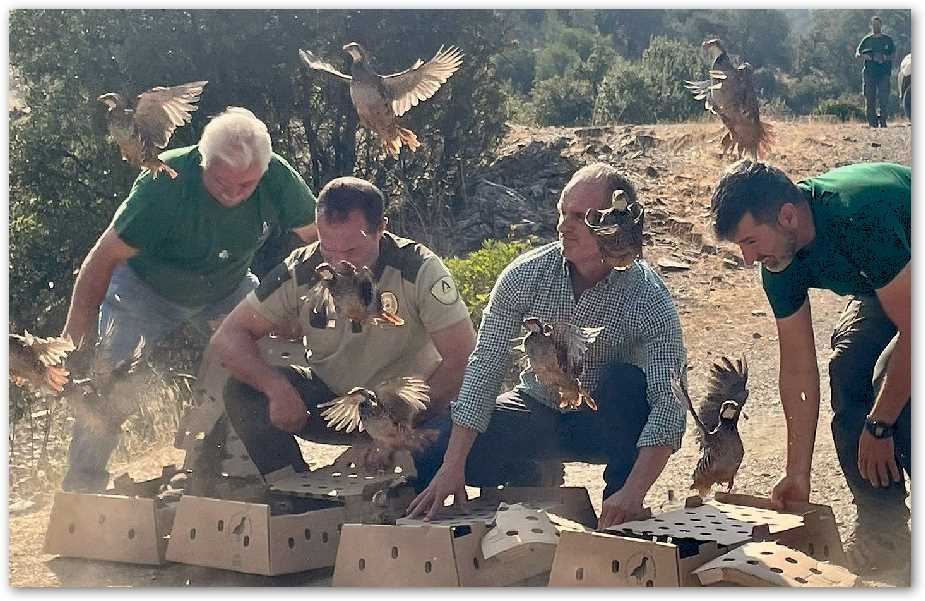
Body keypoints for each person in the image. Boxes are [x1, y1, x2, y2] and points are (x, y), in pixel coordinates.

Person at [407, 163, 687, 529]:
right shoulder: (526, 275)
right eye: (561, 213)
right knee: (433, 452)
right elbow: (485, 365)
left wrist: (634, 490)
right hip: (538, 407)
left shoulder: (648, 297)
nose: (562, 226)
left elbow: (671, 400)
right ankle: (532, 473)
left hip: (604, 420)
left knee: (627, 384)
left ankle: (619, 514)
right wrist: (452, 464)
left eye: (578, 217)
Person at [59, 107, 319, 491]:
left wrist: (318, 304)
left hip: (227, 289)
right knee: (111, 376)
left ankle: (249, 470)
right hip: (144, 290)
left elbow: (322, 241)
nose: (233, 194)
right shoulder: (163, 180)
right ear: (202, 161)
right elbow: (104, 257)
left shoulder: (277, 175)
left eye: (246, 185)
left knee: (261, 360)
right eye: (221, 182)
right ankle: (82, 485)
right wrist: (75, 334)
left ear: (263, 171)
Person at [709, 160, 911, 575]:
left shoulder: (857, 214)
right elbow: (799, 369)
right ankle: (885, 532)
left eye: (750, 241)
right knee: (849, 368)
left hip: (906, 268)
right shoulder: (779, 261)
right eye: (740, 248)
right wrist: (796, 474)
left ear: (787, 216)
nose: (748, 259)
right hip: (889, 283)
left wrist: (880, 425)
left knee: (894, 389)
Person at [211, 176, 476, 483]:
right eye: (327, 248)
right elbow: (229, 336)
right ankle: (295, 495)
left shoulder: (418, 269)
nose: (339, 262)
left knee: (435, 459)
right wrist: (276, 388)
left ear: (381, 229)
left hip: (412, 410)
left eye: (351, 250)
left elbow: (462, 358)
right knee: (243, 390)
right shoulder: (303, 268)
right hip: (337, 404)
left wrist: (391, 430)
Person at [856, 16, 896, 128]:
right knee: (870, 98)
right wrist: (865, 56)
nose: (876, 27)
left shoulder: (888, 40)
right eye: (874, 24)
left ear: (881, 25)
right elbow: (857, 54)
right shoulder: (867, 40)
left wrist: (884, 57)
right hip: (869, 73)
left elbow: (894, 55)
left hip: (884, 73)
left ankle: (883, 122)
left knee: (884, 98)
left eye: (877, 24)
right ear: (871, 26)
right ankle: (872, 123)